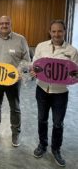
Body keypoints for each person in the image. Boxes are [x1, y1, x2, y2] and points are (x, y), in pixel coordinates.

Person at [30, 20, 78, 167]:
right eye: (54, 31)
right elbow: (35, 64)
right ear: (50, 32)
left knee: (58, 123)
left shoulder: (72, 51)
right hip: (42, 90)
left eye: (60, 31)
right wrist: (33, 71)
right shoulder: (41, 46)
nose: (57, 34)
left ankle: (56, 149)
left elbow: (75, 73)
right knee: (42, 120)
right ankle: (42, 145)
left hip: (60, 93)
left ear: (64, 32)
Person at [0, 15, 30, 147]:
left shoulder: (20, 39)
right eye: (1, 23)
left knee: (14, 107)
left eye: (7, 23)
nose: (4, 25)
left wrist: (18, 71)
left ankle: (15, 132)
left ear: (11, 24)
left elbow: (27, 60)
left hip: (13, 81)